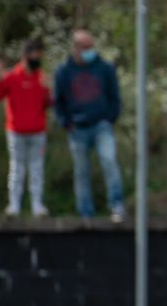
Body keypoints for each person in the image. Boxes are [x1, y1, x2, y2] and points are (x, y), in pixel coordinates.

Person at [53, 30, 126, 221]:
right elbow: (58, 101)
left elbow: (115, 96)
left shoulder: (104, 68)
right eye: (86, 47)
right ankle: (86, 212)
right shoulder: (64, 72)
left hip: (101, 125)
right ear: (76, 48)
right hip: (77, 129)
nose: (90, 51)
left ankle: (116, 205)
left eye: (91, 46)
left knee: (109, 161)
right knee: (81, 171)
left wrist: (110, 118)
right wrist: (66, 123)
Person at [0, 39, 52, 217]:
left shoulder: (42, 77)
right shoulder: (12, 76)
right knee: (17, 169)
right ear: (26, 56)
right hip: (16, 132)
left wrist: (49, 89)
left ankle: (37, 205)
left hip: (38, 132)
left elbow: (49, 103)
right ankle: (14, 205)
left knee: (37, 169)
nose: (38, 59)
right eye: (36, 55)